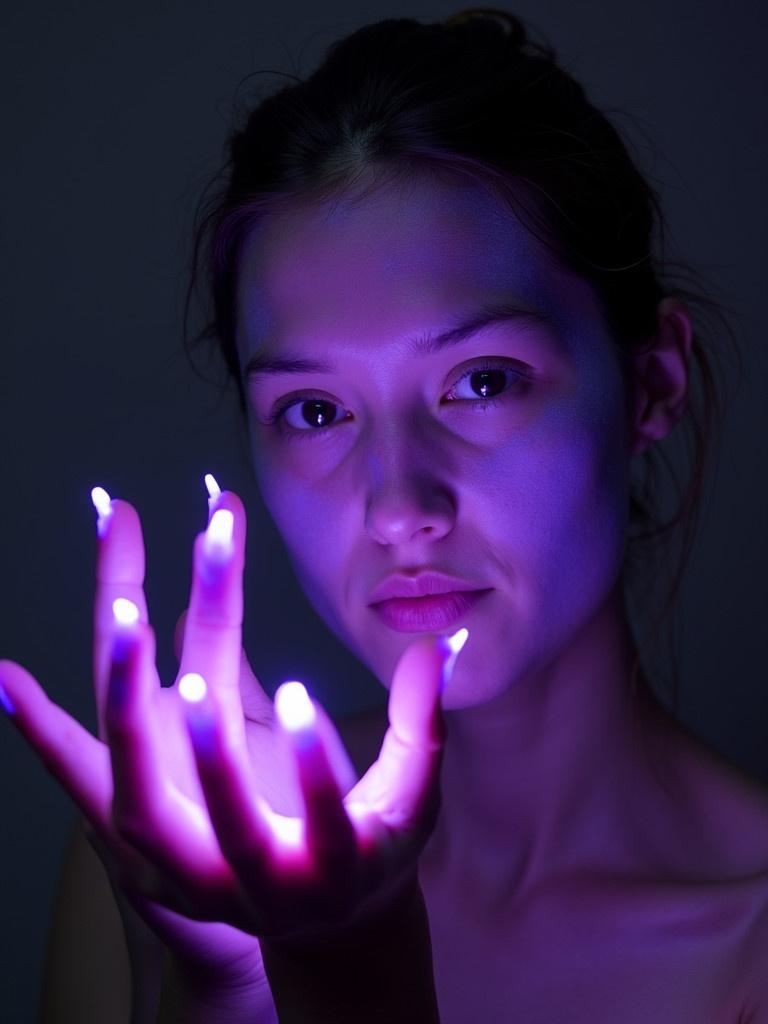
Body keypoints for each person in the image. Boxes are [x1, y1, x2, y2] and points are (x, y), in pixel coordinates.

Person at [2, 7, 767, 1022]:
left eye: (482, 381)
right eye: (316, 411)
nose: (400, 508)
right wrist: (228, 989)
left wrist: (344, 975)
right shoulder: (169, 860)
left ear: (652, 383)